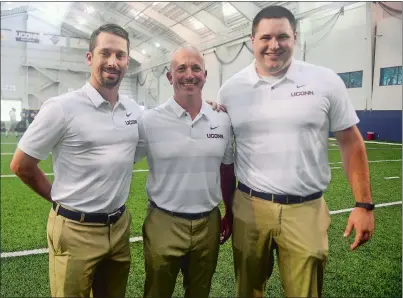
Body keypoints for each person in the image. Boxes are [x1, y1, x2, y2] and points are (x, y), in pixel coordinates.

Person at [217, 6, 375, 297]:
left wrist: (364, 204)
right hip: (250, 208)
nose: (273, 45)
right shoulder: (230, 90)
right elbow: (222, 152)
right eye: (265, 37)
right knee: (247, 290)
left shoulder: (325, 81)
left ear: (295, 38)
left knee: (305, 293)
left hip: (306, 209)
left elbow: (351, 141)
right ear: (252, 40)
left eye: (282, 37)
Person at [10, 24, 142, 298]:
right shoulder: (62, 107)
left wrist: (208, 105)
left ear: (127, 60)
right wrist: (57, 200)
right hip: (75, 230)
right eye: (105, 53)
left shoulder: (133, 110)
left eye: (120, 55)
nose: (112, 62)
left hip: (118, 227)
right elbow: (21, 165)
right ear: (89, 57)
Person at [134, 46, 236, 298]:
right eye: (181, 68)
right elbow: (120, 161)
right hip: (163, 221)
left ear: (205, 75)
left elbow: (226, 169)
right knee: (157, 292)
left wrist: (230, 212)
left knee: (200, 292)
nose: (189, 74)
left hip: (208, 223)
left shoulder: (222, 119)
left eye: (195, 68)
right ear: (170, 77)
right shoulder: (149, 121)